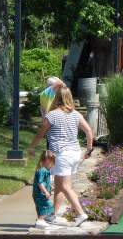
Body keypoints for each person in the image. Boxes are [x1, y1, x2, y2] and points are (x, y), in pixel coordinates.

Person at [28, 86, 93, 227]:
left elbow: (41, 133)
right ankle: (53, 216)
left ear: (56, 98)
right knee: (59, 185)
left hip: (62, 154)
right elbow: (88, 130)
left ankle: (81, 214)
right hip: (75, 153)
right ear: (69, 98)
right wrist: (89, 149)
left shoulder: (52, 115)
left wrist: (32, 146)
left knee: (64, 186)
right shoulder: (76, 114)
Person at [32, 151, 56, 229]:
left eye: (52, 163)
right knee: (48, 205)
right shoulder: (42, 170)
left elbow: (46, 182)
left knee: (40, 207)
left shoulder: (45, 170)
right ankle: (40, 220)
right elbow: (40, 183)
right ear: (43, 161)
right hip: (40, 194)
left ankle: (41, 220)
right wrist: (46, 191)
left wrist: (50, 187)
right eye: (50, 163)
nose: (52, 165)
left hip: (40, 193)